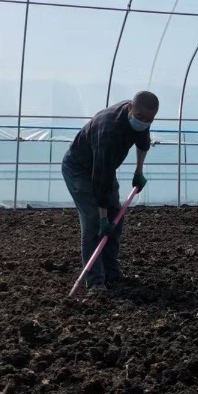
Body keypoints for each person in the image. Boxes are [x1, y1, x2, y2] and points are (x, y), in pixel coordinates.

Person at [62, 91, 159, 291]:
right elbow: (101, 180)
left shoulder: (142, 119)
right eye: (141, 118)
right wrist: (103, 218)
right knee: (94, 221)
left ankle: (111, 272)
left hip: (105, 167)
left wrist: (138, 171)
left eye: (149, 120)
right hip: (79, 169)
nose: (144, 123)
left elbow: (143, 142)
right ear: (131, 109)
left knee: (116, 219)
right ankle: (96, 281)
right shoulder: (108, 129)